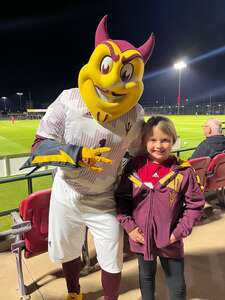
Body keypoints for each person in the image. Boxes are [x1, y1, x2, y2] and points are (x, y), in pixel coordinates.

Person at [20, 15, 155, 300]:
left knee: (112, 257)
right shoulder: (68, 100)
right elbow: (37, 150)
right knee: (67, 250)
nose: (112, 82)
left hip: (105, 195)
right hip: (68, 191)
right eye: (107, 67)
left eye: (126, 73)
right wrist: (77, 156)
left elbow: (138, 155)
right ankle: (74, 293)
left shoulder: (135, 113)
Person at [115, 115, 205, 300]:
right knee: (146, 280)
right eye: (153, 140)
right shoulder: (134, 167)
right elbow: (122, 199)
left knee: (177, 286)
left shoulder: (183, 171)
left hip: (170, 241)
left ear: (173, 141)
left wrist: (178, 232)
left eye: (165, 140)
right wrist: (130, 228)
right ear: (144, 141)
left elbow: (195, 205)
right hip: (141, 239)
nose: (159, 145)